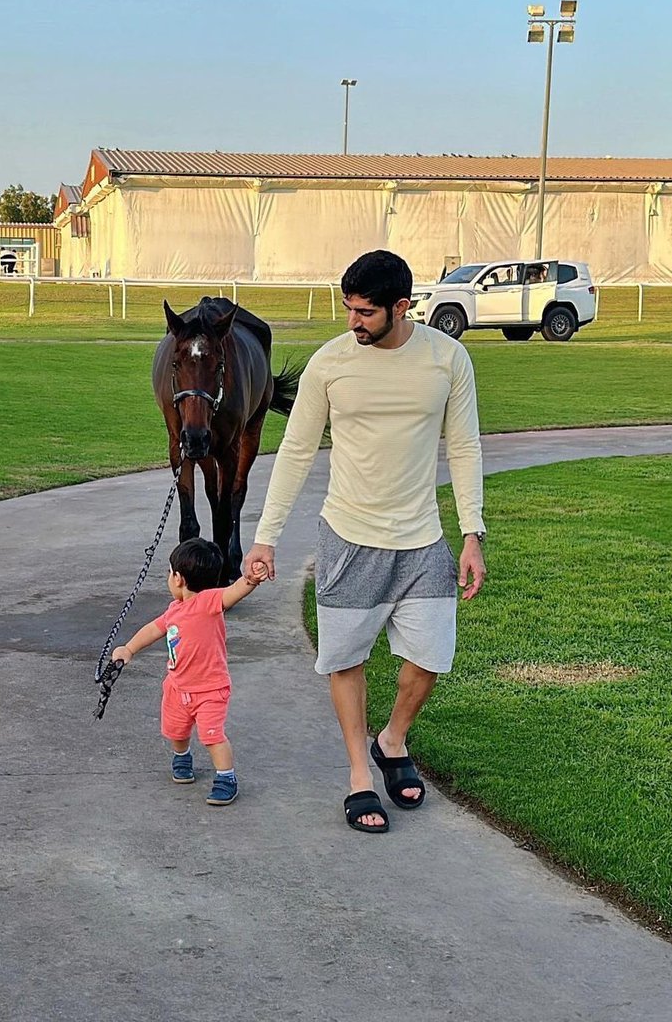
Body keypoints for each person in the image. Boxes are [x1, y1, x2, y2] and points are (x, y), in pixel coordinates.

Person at [244, 249, 486, 835]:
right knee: (346, 659)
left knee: (429, 660)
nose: (353, 321)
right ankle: (359, 771)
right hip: (349, 537)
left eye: (366, 312)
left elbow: (466, 447)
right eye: (349, 308)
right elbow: (296, 451)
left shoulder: (447, 358)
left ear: (402, 307)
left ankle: (392, 738)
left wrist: (472, 534)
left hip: (422, 538)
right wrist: (265, 539)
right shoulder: (331, 363)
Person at [111, 537, 268, 806]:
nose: (168, 578)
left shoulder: (207, 602)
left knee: (212, 735)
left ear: (179, 578)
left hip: (209, 689)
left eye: (169, 573)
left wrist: (250, 580)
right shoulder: (175, 610)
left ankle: (226, 777)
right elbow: (153, 629)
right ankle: (182, 758)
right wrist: (129, 648)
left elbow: (232, 592)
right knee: (176, 730)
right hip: (177, 686)